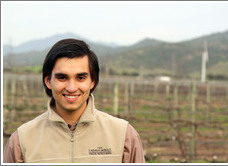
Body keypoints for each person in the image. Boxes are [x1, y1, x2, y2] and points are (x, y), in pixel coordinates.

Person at [3, 39, 145, 163]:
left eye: (81, 78)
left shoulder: (124, 135)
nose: (71, 88)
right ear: (48, 81)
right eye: (62, 77)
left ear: (93, 82)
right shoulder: (20, 140)